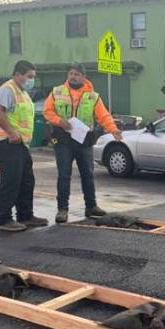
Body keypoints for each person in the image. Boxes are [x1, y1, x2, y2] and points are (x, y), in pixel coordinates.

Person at [44, 63, 122, 223]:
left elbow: (103, 115)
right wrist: (60, 121)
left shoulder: (93, 96)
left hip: (84, 140)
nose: (73, 76)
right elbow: (47, 111)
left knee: (88, 174)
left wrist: (113, 129)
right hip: (63, 139)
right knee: (64, 175)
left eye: (77, 74)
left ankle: (91, 206)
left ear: (84, 77)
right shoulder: (57, 92)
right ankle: (62, 210)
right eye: (71, 73)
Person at [0, 60, 48, 232]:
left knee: (27, 181)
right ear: (17, 75)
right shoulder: (8, 89)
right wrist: (11, 131)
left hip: (21, 145)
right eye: (29, 77)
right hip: (7, 144)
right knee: (11, 182)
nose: (32, 81)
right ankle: (3, 219)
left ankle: (26, 215)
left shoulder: (23, 93)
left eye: (33, 77)